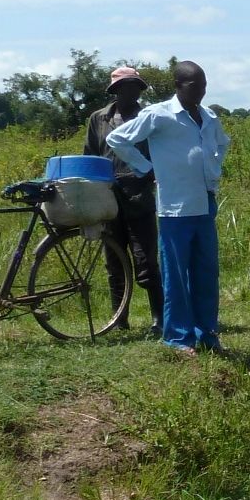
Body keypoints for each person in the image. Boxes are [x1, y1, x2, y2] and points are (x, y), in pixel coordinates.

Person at [106, 60, 227, 355]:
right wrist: (144, 167)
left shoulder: (208, 116)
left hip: (204, 203)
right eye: (193, 86)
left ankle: (207, 333)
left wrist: (212, 170)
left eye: (203, 86)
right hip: (175, 208)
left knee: (206, 273)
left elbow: (222, 143)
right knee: (177, 275)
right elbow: (117, 138)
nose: (199, 91)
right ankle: (177, 338)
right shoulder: (160, 115)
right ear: (178, 86)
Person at [84, 65, 161, 330]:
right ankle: (119, 318)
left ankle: (159, 317)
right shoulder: (98, 119)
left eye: (135, 87)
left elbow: (157, 155)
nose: (131, 91)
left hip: (140, 197)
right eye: (125, 87)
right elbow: (91, 156)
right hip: (108, 197)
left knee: (146, 259)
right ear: (115, 90)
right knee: (113, 261)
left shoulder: (148, 117)